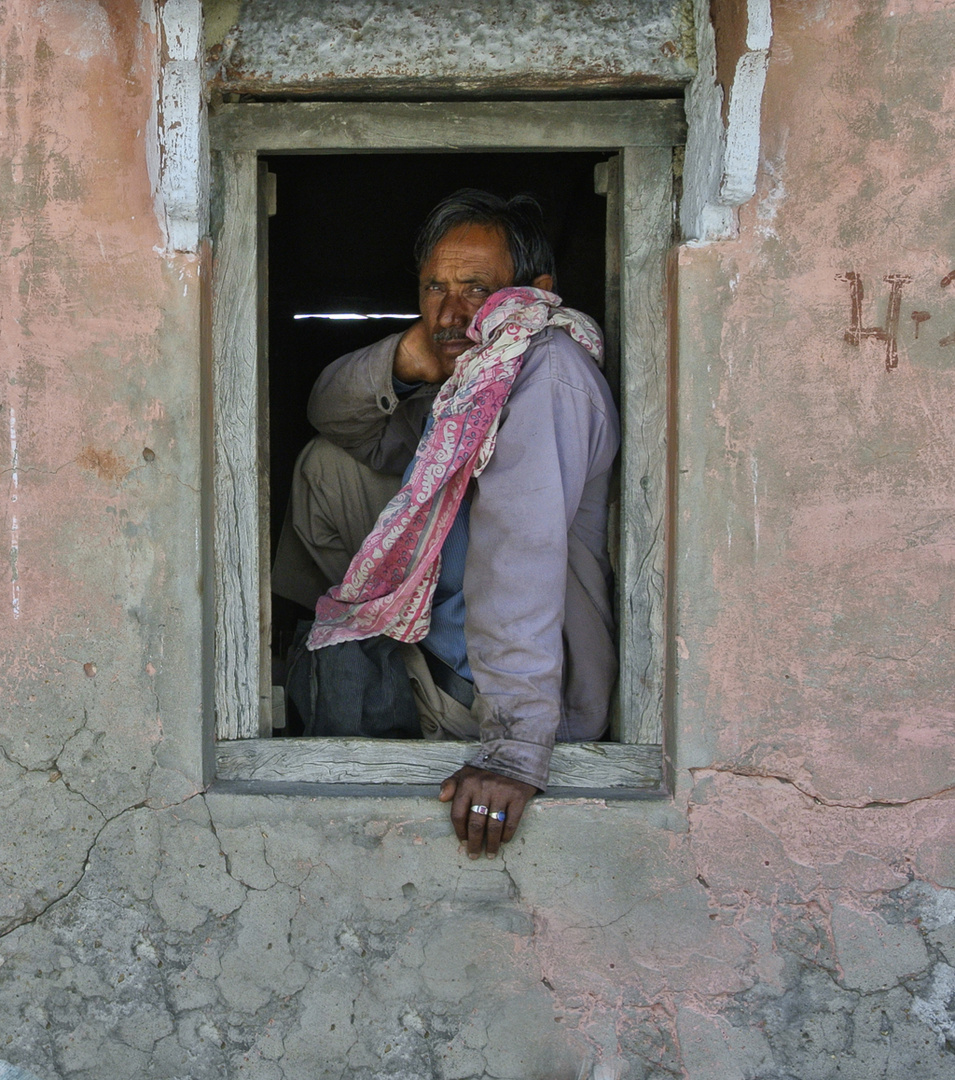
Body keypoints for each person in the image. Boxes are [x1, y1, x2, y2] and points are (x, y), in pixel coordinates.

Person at [274, 189, 619, 857]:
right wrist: (412, 356)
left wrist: (514, 751)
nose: (452, 311)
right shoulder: (473, 380)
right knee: (326, 465)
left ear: (535, 291)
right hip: (442, 622)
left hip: (483, 684)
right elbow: (332, 417)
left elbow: (518, 559)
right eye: (436, 287)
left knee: (493, 563)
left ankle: (382, 667)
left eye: (475, 288)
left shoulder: (543, 375)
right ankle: (328, 639)